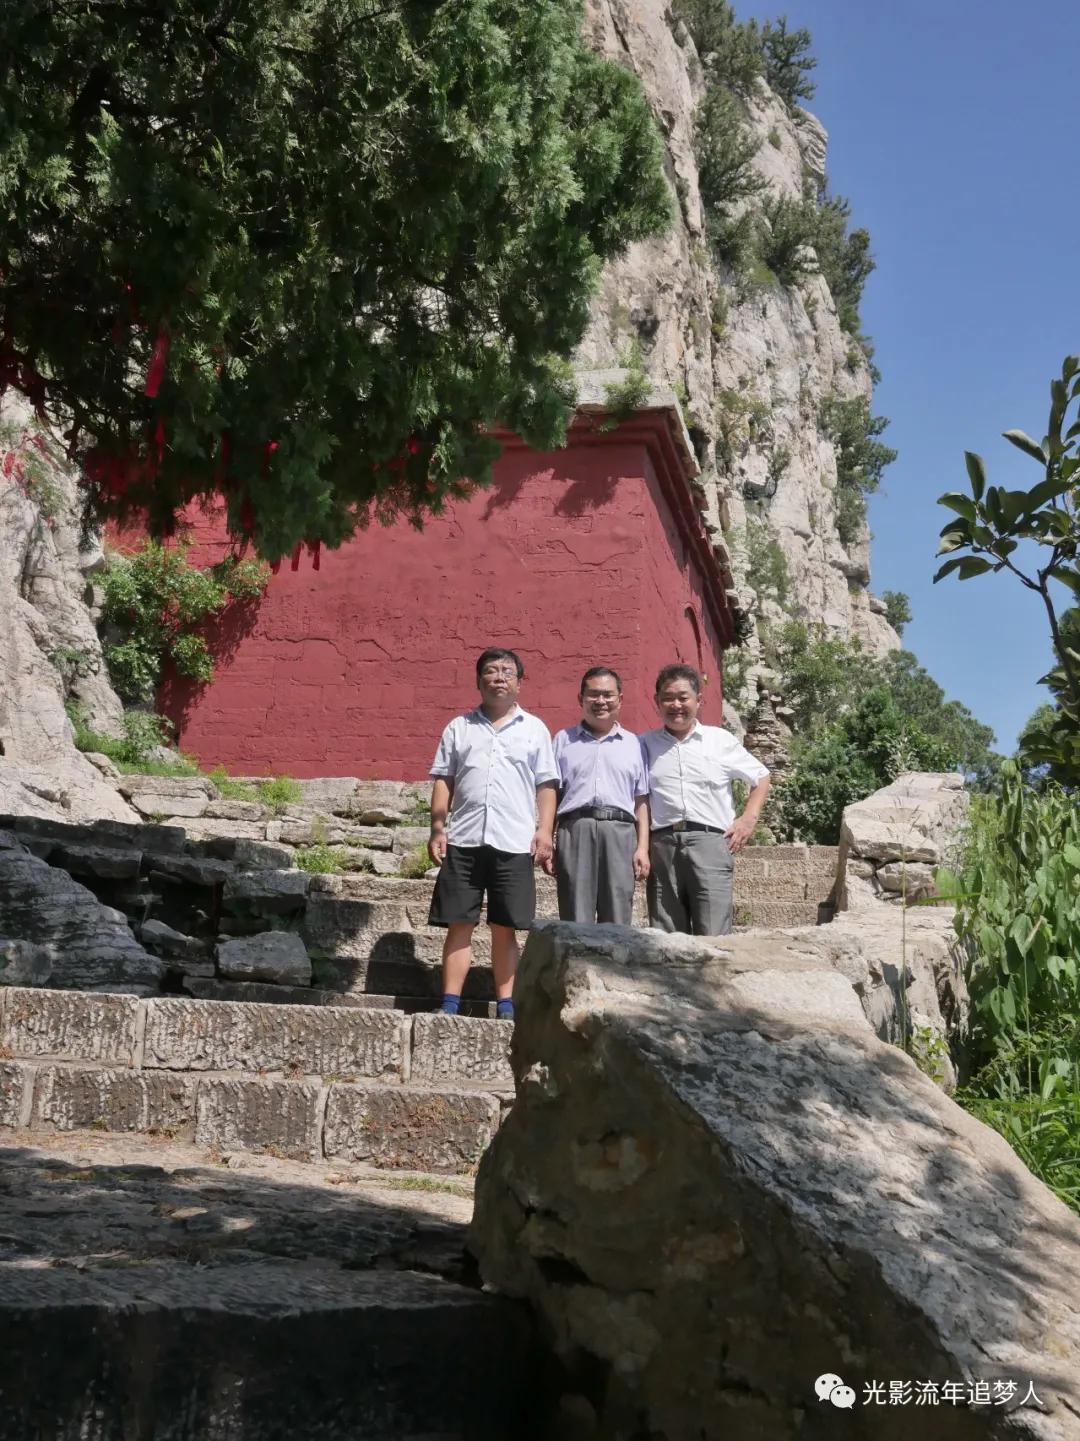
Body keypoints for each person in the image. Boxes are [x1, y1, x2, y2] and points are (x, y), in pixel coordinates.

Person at [427, 648, 559, 1019]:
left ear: (519, 682)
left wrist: (545, 830)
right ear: (478, 680)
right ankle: (450, 1003)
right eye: (490, 671)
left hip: (513, 841)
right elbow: (444, 781)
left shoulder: (534, 730)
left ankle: (506, 1006)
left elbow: (546, 786)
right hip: (465, 840)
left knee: (506, 928)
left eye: (507, 671)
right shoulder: (459, 727)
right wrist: (438, 827)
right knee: (459, 924)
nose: (498, 677)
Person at [640, 663, 770, 936]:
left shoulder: (719, 740)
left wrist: (748, 820)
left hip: (710, 843)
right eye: (668, 698)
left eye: (683, 697)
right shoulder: (644, 744)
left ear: (698, 700)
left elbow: (761, 777)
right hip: (662, 846)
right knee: (666, 938)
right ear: (657, 701)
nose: (676, 704)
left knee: (714, 936)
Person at [548, 666, 650, 926]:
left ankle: (613, 968)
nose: (601, 701)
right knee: (575, 915)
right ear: (580, 699)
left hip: (620, 832)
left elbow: (641, 800)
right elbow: (551, 794)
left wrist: (642, 847)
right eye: (593, 694)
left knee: (617, 914)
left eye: (608, 695)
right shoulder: (563, 740)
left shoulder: (634, 744)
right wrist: (548, 839)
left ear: (620, 699)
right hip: (575, 830)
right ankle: (576, 967)